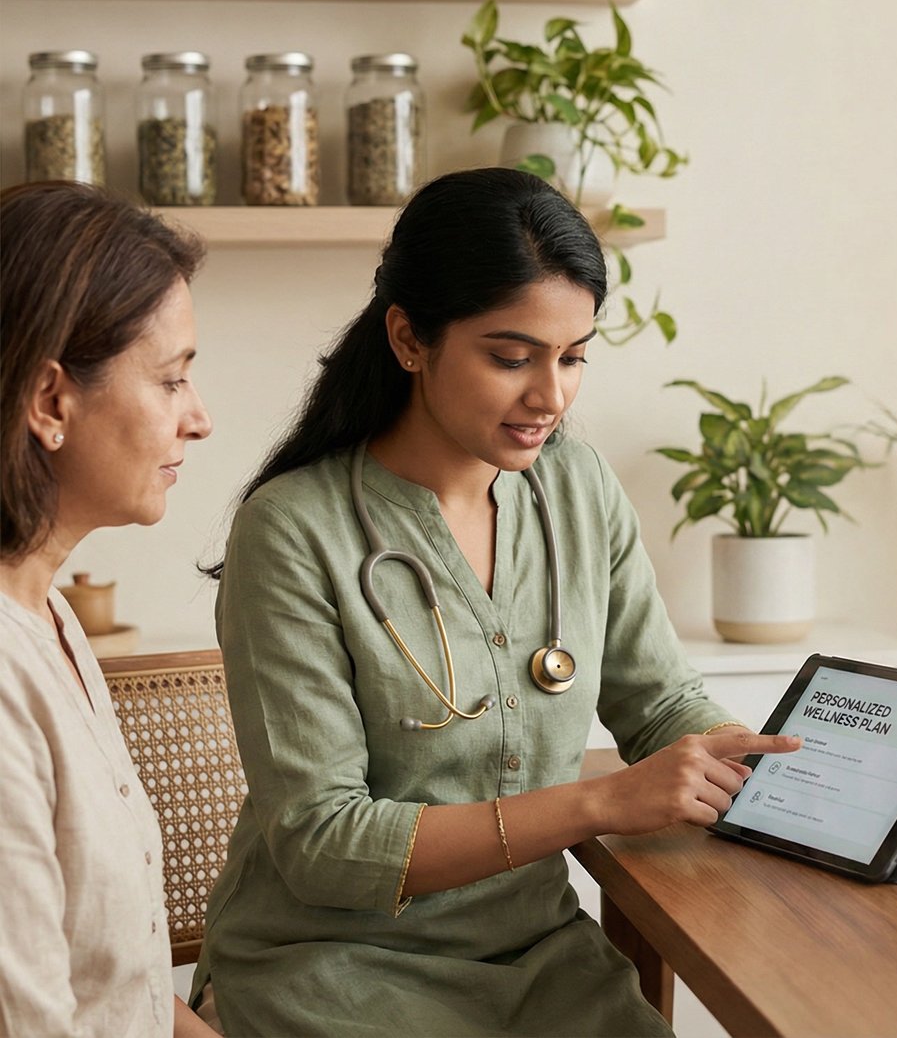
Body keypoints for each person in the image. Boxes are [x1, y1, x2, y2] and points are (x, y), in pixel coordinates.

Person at [191, 167, 800, 1036]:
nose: (549, 396)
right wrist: (597, 802)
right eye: (511, 357)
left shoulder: (578, 488)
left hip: (536, 955)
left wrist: (768, 774)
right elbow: (324, 844)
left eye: (574, 356)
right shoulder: (293, 531)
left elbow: (660, 701)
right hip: (333, 966)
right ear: (409, 337)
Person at [0, 182, 218, 1037]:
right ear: (51, 402)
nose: (199, 419)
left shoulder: (48, 618)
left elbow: (116, 982)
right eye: (172, 380)